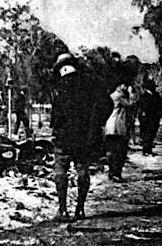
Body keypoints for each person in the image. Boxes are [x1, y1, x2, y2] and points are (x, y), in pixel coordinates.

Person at [50, 51, 103, 221]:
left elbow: (55, 119)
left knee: (60, 171)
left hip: (64, 138)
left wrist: (56, 131)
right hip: (82, 138)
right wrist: (95, 127)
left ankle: (62, 210)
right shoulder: (88, 90)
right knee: (82, 171)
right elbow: (104, 105)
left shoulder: (59, 92)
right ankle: (80, 208)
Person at [104, 84, 132, 182]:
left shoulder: (111, 95)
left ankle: (112, 172)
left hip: (109, 126)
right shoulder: (120, 96)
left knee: (112, 151)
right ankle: (116, 173)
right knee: (119, 152)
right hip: (117, 126)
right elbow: (130, 104)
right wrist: (131, 93)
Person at [138, 80, 161, 156]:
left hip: (155, 117)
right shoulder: (144, 96)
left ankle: (149, 149)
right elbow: (142, 107)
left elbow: (160, 105)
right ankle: (146, 150)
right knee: (147, 133)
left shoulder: (156, 95)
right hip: (146, 118)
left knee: (152, 132)